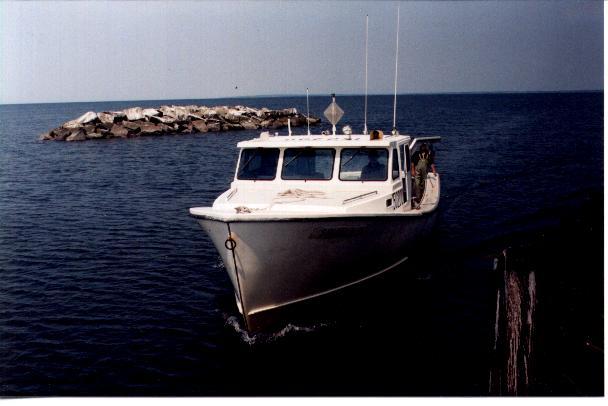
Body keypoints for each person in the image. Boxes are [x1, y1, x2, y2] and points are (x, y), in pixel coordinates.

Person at [411, 143, 437, 208]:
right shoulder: (417, 154)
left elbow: (431, 163)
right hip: (417, 171)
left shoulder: (428, 155)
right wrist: (413, 170)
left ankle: (421, 196)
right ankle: (417, 197)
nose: (423, 148)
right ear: (420, 147)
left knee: (422, 184)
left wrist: (433, 170)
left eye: (424, 147)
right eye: (422, 147)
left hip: (424, 172)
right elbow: (412, 163)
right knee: (417, 184)